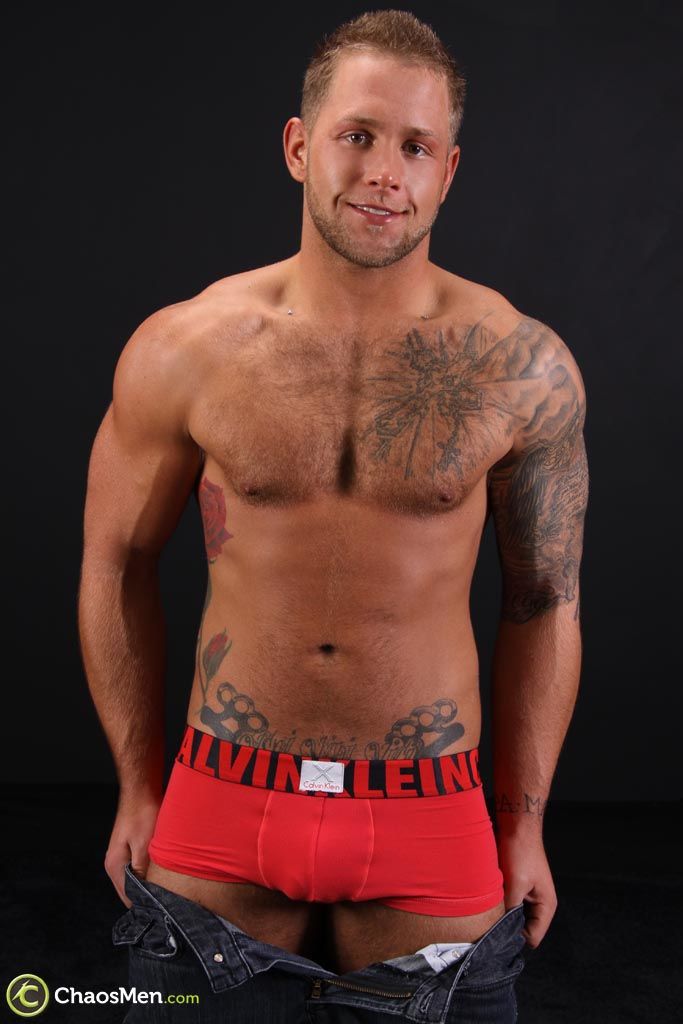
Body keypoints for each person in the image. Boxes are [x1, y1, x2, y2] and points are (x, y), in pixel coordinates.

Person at [78, 9, 588, 1022]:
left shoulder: (520, 365)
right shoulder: (188, 347)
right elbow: (115, 563)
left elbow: (542, 600)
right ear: (299, 146)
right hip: (221, 800)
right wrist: (138, 787)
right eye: (357, 135)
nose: (384, 172)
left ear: (448, 170)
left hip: (429, 810)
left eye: (415, 146)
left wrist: (521, 824)